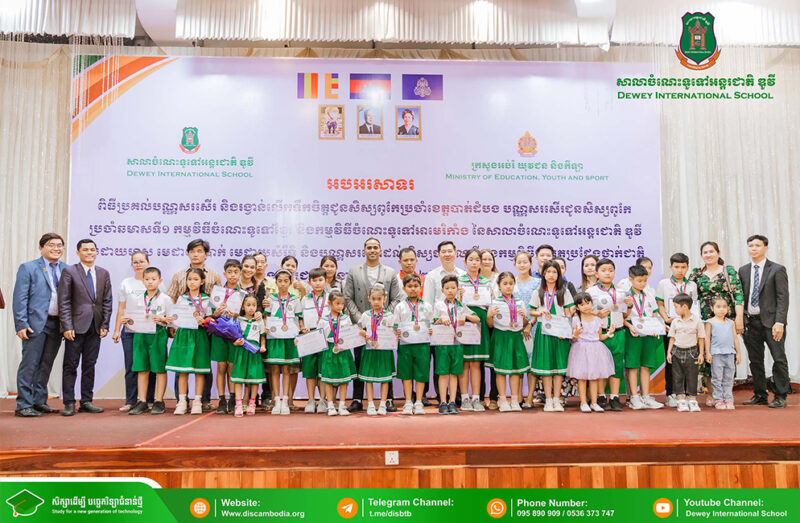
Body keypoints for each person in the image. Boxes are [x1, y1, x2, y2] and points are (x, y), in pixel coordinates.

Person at [343, 237, 402, 412]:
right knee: (360, 361)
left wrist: (383, 318)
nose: (372, 250)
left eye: (375, 247)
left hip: (383, 327)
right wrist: (360, 319)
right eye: (369, 247)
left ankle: (388, 399)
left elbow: (396, 298)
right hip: (362, 326)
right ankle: (357, 398)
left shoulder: (390, 272)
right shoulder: (354, 271)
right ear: (364, 250)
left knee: (385, 362)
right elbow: (348, 297)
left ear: (380, 250)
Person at [13, 233, 67, 417]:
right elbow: (20, 298)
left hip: (57, 324)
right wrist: (21, 323)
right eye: (51, 245)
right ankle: (24, 404)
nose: (56, 249)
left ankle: (39, 401)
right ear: (41, 247)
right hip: (34, 324)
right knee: (30, 364)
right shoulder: (28, 268)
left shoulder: (66, 269)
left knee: (46, 365)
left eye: (59, 245)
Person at [57, 239, 112, 417]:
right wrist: (67, 325)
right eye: (85, 250)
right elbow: (64, 301)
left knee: (90, 365)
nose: (89, 252)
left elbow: (107, 301)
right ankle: (69, 402)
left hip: (95, 327)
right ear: (78, 252)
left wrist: (105, 324)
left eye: (92, 249)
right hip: (75, 327)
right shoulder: (69, 271)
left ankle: (87, 401)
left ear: (96, 252)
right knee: (70, 365)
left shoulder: (103, 273)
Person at [166, 239, 221, 411]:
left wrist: (208, 321)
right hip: (183, 332)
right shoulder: (179, 277)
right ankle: (181, 400)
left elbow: (216, 304)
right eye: (192, 251)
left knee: (202, 367)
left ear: (206, 254)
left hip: (203, 333)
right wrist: (172, 323)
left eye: (199, 251)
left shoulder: (214, 276)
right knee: (181, 367)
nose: (196, 254)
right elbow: (171, 299)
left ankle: (202, 400)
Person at [689, 241, 744, 405]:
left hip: (725, 319)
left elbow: (738, 294)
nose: (708, 255)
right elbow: (690, 296)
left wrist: (739, 318)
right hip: (705, 320)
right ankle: (712, 394)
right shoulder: (696, 274)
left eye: (711, 251)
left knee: (726, 355)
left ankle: (727, 394)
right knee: (709, 355)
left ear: (718, 253)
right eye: (705, 252)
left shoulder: (728, 271)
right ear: (701, 255)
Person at [739, 234, 790, 408]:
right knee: (755, 361)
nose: (754, 249)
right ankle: (760, 394)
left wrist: (780, 322)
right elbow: (741, 297)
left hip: (772, 323)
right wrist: (741, 321)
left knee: (779, 359)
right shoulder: (743, 270)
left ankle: (781, 395)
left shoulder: (777, 269)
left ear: (765, 248)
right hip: (751, 322)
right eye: (751, 246)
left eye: (758, 245)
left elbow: (783, 298)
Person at [111, 251, 157, 412]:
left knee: (150, 366)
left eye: (141, 261)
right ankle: (130, 400)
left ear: (148, 263)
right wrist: (117, 330)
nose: (138, 265)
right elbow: (121, 308)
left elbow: (161, 306)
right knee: (131, 365)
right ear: (132, 265)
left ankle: (149, 400)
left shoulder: (156, 283)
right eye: (135, 262)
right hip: (130, 330)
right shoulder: (126, 283)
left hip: (150, 330)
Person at [422, 240, 465, 404]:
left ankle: (456, 396)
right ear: (438, 255)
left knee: (456, 362)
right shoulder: (432, 276)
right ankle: (441, 397)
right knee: (439, 362)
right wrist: (432, 323)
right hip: (439, 326)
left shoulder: (463, 275)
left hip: (458, 327)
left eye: (450, 251)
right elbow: (427, 303)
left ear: (456, 253)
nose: (447, 254)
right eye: (443, 252)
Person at [529, 260, 575, 412]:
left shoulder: (564, 292)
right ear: (543, 274)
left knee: (559, 367)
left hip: (560, 333)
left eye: (554, 272)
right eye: (548, 272)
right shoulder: (538, 292)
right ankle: (548, 400)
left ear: (559, 274)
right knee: (546, 367)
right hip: (544, 332)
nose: (551, 275)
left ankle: (557, 399)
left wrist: (566, 332)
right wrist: (540, 312)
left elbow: (568, 313)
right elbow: (531, 311)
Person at [165, 268, 212, 415]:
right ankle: (182, 401)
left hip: (200, 335)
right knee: (182, 370)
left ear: (202, 281)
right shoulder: (182, 298)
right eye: (189, 279)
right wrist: (172, 320)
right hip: (184, 335)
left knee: (199, 370)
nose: (192, 282)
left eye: (195, 279)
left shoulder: (206, 299)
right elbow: (176, 317)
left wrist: (204, 321)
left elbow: (210, 319)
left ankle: (198, 401)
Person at [126, 267, 172, 415]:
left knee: (159, 368)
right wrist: (126, 321)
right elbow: (131, 318)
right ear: (142, 281)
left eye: (153, 279)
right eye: (147, 279)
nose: (150, 282)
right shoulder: (137, 298)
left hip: (158, 334)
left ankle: (159, 401)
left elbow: (172, 320)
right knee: (142, 368)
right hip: (140, 335)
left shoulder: (165, 299)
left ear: (160, 281)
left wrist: (162, 319)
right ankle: (142, 401)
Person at [655, 252, 699, 408]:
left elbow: (695, 306)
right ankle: (671, 393)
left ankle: (687, 393)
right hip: (672, 327)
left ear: (687, 268)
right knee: (672, 361)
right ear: (670, 267)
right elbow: (659, 304)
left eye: (683, 267)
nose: (680, 270)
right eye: (676, 267)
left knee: (689, 362)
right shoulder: (664, 284)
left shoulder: (692, 285)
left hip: (689, 329)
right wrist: (666, 318)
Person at [586, 259, 629, 412]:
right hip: (600, 333)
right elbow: (583, 311)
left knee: (617, 364)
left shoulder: (621, 291)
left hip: (618, 332)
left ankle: (615, 397)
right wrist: (596, 314)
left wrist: (629, 305)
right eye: (603, 270)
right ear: (596, 274)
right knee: (600, 364)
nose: (607, 273)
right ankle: (601, 396)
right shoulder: (591, 291)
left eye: (610, 270)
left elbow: (625, 314)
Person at [433, 275, 479, 415]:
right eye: (447, 288)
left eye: (453, 288)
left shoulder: (461, 306)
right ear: (442, 290)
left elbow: (476, 318)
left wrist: (466, 316)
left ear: (458, 289)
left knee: (454, 374)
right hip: (442, 344)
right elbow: (432, 321)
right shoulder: (439, 305)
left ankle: (452, 401)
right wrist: (440, 319)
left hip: (458, 344)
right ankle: (443, 401)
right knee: (443, 373)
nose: (450, 290)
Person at [487, 272, 531, 412]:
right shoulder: (495, 302)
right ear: (499, 286)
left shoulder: (519, 302)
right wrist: (489, 316)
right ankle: (502, 400)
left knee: (515, 370)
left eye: (511, 283)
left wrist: (525, 317)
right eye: (505, 284)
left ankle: (514, 400)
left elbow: (524, 324)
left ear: (514, 285)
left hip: (515, 337)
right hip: (501, 337)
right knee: (500, 371)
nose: (508, 286)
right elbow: (490, 324)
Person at [623, 264, 664, 410]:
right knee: (633, 365)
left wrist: (655, 327)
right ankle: (634, 397)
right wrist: (629, 326)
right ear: (631, 279)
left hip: (649, 333)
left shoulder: (649, 295)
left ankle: (646, 396)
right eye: (639, 281)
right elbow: (621, 316)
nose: (642, 284)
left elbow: (654, 313)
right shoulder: (625, 296)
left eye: (645, 281)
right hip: (633, 333)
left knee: (646, 365)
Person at [264, 269, 304, 415]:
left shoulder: (295, 300)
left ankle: (286, 400)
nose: (282, 284)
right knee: (275, 369)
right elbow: (266, 317)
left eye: (286, 281)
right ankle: (276, 400)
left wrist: (301, 329)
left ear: (290, 282)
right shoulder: (271, 299)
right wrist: (265, 327)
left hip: (289, 339)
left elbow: (299, 319)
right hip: (275, 339)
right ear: (276, 282)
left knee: (287, 369)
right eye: (280, 281)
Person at [567, 292, 615, 413]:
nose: (586, 306)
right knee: (582, 378)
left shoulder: (598, 320)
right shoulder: (576, 320)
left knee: (594, 378)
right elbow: (573, 339)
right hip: (581, 350)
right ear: (577, 307)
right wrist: (575, 335)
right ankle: (583, 402)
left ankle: (594, 402)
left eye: (588, 303)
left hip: (596, 350)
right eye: (582, 305)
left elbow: (599, 337)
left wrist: (608, 334)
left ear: (592, 303)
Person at [394, 274, 434, 415]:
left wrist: (431, 329)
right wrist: (396, 331)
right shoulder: (400, 306)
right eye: (409, 286)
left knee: (421, 373)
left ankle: (418, 402)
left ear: (421, 287)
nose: (413, 289)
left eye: (416, 286)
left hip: (422, 345)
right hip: (405, 345)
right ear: (404, 288)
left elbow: (431, 324)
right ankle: (408, 402)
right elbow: (395, 325)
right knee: (406, 373)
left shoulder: (427, 306)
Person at [457, 249, 492, 412]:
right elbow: (453, 303)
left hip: (480, 320)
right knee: (464, 362)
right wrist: (458, 297)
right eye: (470, 259)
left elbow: (490, 304)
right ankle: (465, 398)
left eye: (477, 260)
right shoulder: (459, 281)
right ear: (465, 262)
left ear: (481, 263)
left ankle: (477, 398)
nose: (474, 262)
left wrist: (491, 298)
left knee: (476, 363)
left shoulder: (486, 282)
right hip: (464, 319)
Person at [210, 259, 245, 415]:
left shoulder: (243, 294)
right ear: (224, 274)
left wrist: (238, 314)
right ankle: (221, 399)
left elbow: (246, 314)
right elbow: (210, 313)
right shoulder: (217, 291)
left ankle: (232, 398)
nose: (232, 275)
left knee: (231, 366)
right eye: (229, 272)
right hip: (219, 333)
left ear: (240, 274)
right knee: (221, 366)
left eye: (235, 272)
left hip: (234, 334)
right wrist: (215, 313)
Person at [357, 284, 397, 416]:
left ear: (384, 299)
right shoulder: (365, 315)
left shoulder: (389, 316)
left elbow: (394, 332)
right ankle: (370, 404)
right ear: (368, 298)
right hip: (369, 350)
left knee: (385, 378)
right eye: (373, 299)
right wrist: (362, 333)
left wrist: (395, 334)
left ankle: (383, 404)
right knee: (368, 378)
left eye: (379, 299)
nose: (376, 302)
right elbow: (359, 329)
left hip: (384, 351)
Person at [319, 290, 357, 416]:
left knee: (344, 380)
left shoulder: (346, 319)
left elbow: (351, 335)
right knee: (328, 380)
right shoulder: (324, 320)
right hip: (329, 351)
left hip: (343, 351)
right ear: (329, 303)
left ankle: (342, 405)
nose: (340, 306)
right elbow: (317, 337)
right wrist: (300, 341)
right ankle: (330, 405)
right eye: (337, 303)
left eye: (342, 304)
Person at [666, 293, 706, 412]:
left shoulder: (697, 321)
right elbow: (672, 338)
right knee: (677, 376)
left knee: (692, 376)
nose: (675, 310)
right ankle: (680, 399)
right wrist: (669, 352)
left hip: (692, 351)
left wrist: (701, 353)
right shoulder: (675, 321)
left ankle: (692, 399)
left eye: (676, 307)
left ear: (684, 307)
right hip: (677, 351)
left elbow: (701, 338)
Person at [230, 294, 267, 417]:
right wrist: (235, 342)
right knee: (239, 378)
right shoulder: (238, 320)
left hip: (254, 352)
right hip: (241, 351)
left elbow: (262, 336)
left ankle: (252, 403)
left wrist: (263, 346)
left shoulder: (259, 320)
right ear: (242, 307)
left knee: (254, 378)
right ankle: (238, 404)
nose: (251, 308)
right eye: (248, 305)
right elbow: (233, 336)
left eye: (254, 305)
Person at [300, 268, 330, 413]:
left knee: (323, 370)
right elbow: (300, 318)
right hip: (309, 337)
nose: (317, 283)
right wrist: (302, 328)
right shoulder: (305, 299)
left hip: (325, 337)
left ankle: (323, 400)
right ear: (309, 282)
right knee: (310, 370)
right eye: (314, 280)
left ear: (326, 281)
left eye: (320, 280)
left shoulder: (330, 297)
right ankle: (311, 400)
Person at [512, 251, 538, 410]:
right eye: (519, 262)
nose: (522, 265)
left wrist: (530, 324)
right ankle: (518, 396)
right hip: (514, 329)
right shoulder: (511, 282)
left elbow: (540, 306)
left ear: (530, 264)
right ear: (514, 264)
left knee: (531, 364)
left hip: (532, 328)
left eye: (525, 262)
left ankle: (530, 397)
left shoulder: (537, 283)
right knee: (518, 362)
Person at [705, 296, 741, 410]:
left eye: (724, 307)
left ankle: (728, 399)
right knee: (717, 378)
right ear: (712, 308)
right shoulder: (710, 322)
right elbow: (707, 338)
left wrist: (738, 353)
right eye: (718, 307)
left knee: (729, 378)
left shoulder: (731, 323)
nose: (721, 309)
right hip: (716, 354)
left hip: (730, 353)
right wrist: (707, 353)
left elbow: (735, 338)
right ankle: (719, 399)